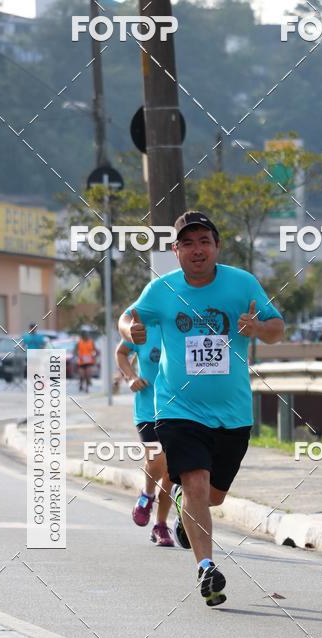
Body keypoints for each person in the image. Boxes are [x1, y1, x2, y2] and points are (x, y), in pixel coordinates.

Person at [119, 210, 285, 606]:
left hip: (233, 413)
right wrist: (131, 330)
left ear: (217, 247)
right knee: (193, 482)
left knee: (212, 497)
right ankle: (206, 567)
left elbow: (278, 328)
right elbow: (127, 319)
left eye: (204, 241)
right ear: (176, 250)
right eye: (188, 243)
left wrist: (258, 329)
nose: (197, 250)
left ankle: (185, 514)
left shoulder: (241, 283)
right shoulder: (161, 290)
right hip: (179, 408)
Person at [115, 333, 174, 547]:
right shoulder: (143, 325)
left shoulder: (181, 322)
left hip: (179, 410)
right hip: (148, 411)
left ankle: (160, 525)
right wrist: (131, 377)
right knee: (157, 460)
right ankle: (147, 494)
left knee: (171, 472)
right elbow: (121, 352)